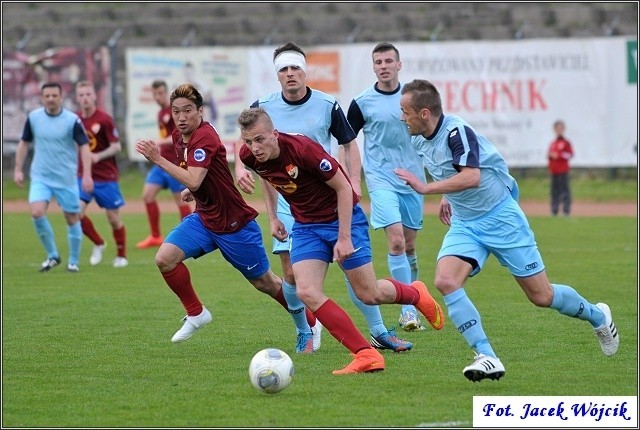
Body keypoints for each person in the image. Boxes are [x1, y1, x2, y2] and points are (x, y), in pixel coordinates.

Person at [394, 79, 619, 382]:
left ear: (423, 113)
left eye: (404, 111)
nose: (401, 117)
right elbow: (451, 169)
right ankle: (486, 355)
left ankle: (598, 316)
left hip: (502, 218)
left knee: (541, 295)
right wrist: (448, 195)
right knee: (446, 280)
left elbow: (472, 176)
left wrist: (428, 188)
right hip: (466, 223)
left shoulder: (457, 131)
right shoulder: (419, 139)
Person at [234, 42, 415, 353]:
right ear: (277, 76)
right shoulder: (262, 107)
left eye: (295, 68)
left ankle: (378, 331)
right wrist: (273, 213)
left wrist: (353, 182)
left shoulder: (326, 104)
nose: (290, 74)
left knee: (353, 270)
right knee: (292, 273)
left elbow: (349, 144)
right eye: (284, 69)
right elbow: (260, 164)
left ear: (305, 72)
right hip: (291, 205)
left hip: (328, 197)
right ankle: (305, 330)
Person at [237, 107, 444, 374]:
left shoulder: (303, 150)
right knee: (306, 291)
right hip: (306, 226)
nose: (254, 147)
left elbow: (344, 188)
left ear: (274, 134)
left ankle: (416, 294)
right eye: (249, 141)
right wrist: (273, 216)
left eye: (259, 139)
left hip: (342, 219)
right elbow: (267, 176)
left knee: (369, 294)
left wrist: (344, 237)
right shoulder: (251, 156)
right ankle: (365, 354)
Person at [135, 83, 321, 353]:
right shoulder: (179, 137)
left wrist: (158, 159)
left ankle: (311, 323)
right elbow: (202, 176)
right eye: (176, 111)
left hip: (235, 225)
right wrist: (192, 189)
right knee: (164, 259)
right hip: (205, 218)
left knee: (265, 283)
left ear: (200, 111)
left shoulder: (205, 136)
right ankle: (196, 313)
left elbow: (195, 176)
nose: (181, 117)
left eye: (188, 110)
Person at [347, 42, 427, 332]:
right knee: (395, 242)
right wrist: (351, 178)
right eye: (378, 61)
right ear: (373, 67)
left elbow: (431, 135)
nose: (383, 65)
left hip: (413, 180)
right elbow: (347, 141)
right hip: (380, 179)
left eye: (388, 61)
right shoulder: (361, 102)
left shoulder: (413, 98)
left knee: (408, 244)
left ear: (399, 65)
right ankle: (408, 310)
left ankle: (414, 286)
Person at [13, 82, 94, 272]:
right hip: (41, 176)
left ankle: (73, 261)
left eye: (54, 95)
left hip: (66, 178)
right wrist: (18, 169)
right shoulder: (33, 118)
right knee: (37, 212)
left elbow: (84, 146)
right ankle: (52, 256)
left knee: (72, 218)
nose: (50, 99)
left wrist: (87, 175)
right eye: (47, 96)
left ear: (61, 97)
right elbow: (24, 143)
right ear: (42, 98)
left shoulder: (72, 120)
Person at [74, 80, 128, 268]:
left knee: (113, 218)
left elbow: (116, 146)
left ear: (95, 96)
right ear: (77, 98)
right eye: (81, 95)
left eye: (88, 94)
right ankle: (98, 243)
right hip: (83, 175)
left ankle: (121, 255)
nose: (85, 98)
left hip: (106, 177)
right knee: (76, 212)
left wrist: (98, 156)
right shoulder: (75, 119)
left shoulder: (104, 119)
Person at [136, 79, 193, 249]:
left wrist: (159, 141)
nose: (158, 96)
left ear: (166, 93)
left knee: (181, 202)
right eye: (155, 94)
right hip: (160, 163)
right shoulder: (160, 114)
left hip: (175, 164)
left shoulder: (174, 112)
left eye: (161, 93)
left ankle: (189, 237)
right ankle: (155, 236)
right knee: (147, 195)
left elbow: (177, 135)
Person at [547, 120, 574, 216]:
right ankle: (554, 210)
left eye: (560, 128)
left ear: (563, 129)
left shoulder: (566, 143)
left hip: (563, 171)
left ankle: (566, 210)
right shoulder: (553, 143)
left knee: (565, 191)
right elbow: (550, 156)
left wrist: (558, 155)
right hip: (554, 171)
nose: (559, 130)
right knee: (554, 191)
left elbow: (570, 155)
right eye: (557, 128)